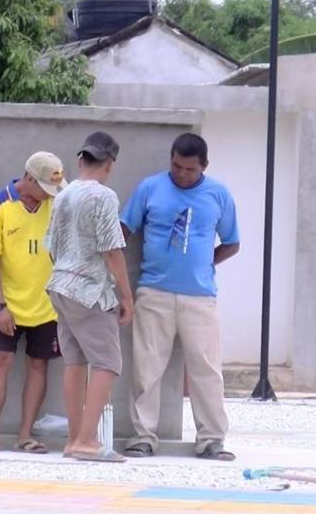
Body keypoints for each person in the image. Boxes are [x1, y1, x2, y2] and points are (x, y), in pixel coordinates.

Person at [121, 133, 239, 461]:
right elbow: (124, 228)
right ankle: (143, 436)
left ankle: (211, 439)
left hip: (200, 297)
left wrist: (203, 264)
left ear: (204, 166)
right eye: (176, 166)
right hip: (153, 292)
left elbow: (232, 242)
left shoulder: (218, 194)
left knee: (206, 370)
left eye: (189, 169)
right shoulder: (150, 188)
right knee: (146, 367)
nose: (181, 174)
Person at [0, 152, 66, 454]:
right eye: (45, 187)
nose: (49, 194)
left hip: (46, 305)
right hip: (7, 302)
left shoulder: (57, 204)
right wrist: (0, 305)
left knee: (38, 364)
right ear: (29, 178)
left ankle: (25, 435)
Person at [45, 131, 133, 463]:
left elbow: (51, 247)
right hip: (90, 289)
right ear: (110, 164)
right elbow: (112, 248)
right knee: (107, 363)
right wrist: (126, 296)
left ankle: (74, 439)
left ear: (80, 159)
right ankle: (86, 440)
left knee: (75, 362)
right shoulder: (104, 196)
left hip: (60, 285)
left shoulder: (63, 195)